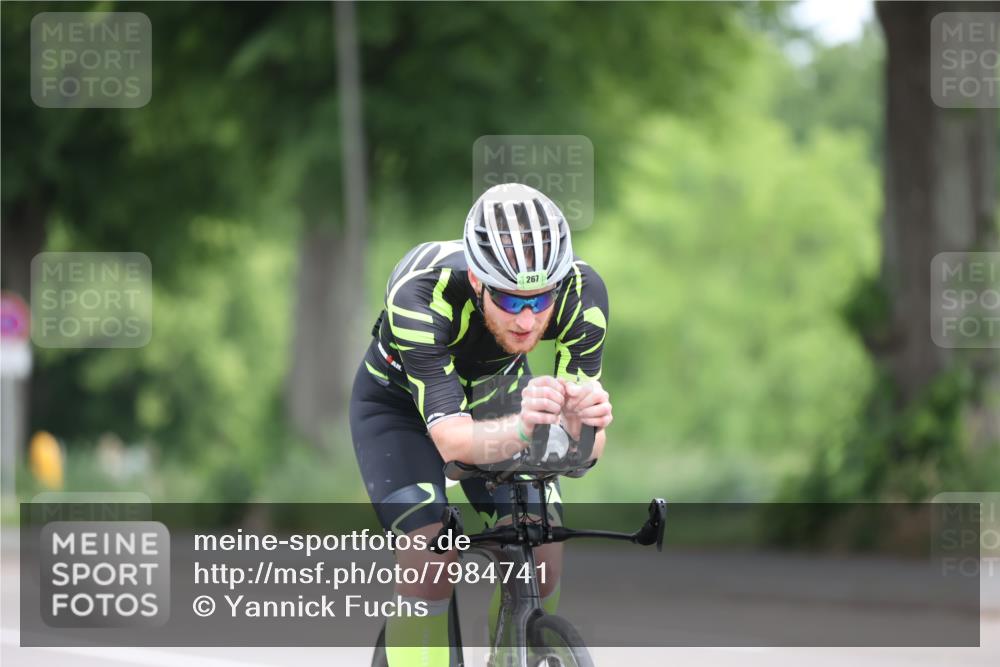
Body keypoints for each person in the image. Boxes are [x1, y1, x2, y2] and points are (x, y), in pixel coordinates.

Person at [349, 182, 612, 666]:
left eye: (541, 299)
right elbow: (452, 443)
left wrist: (585, 432)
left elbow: (585, 453)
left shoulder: (583, 294)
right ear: (476, 280)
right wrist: (526, 431)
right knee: (430, 556)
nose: (528, 321)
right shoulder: (420, 294)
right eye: (511, 302)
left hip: (497, 395)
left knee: (542, 552)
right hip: (400, 408)